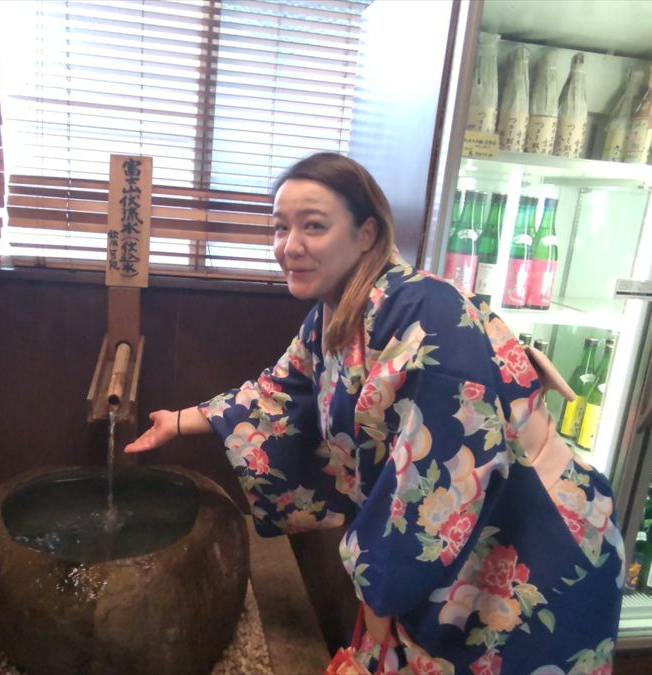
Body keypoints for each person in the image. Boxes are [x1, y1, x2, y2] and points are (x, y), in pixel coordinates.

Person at [126, 152, 624, 673]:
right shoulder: (336, 314)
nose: (289, 246)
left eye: (313, 226)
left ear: (366, 233)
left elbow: (436, 476)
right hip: (462, 544)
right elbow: (280, 391)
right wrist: (180, 420)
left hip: (535, 534)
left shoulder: (427, 314)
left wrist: (379, 590)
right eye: (280, 228)